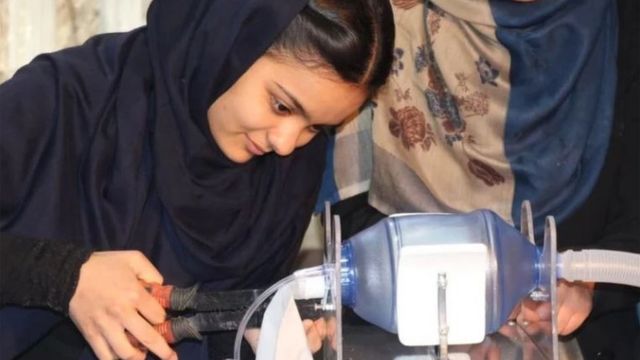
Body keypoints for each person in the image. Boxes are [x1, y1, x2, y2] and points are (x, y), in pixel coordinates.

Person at [0, 0, 395, 359]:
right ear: (228, 41)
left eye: (316, 127)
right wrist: (66, 276)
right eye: (281, 105)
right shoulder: (63, 99)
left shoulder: (287, 173)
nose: (287, 142)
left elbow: (215, 320)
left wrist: (251, 340)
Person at [322, 0, 638, 358]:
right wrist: (463, 291)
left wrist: (586, 285)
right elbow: (352, 221)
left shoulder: (619, 21)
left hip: (583, 333)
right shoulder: (389, 14)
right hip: (401, 325)